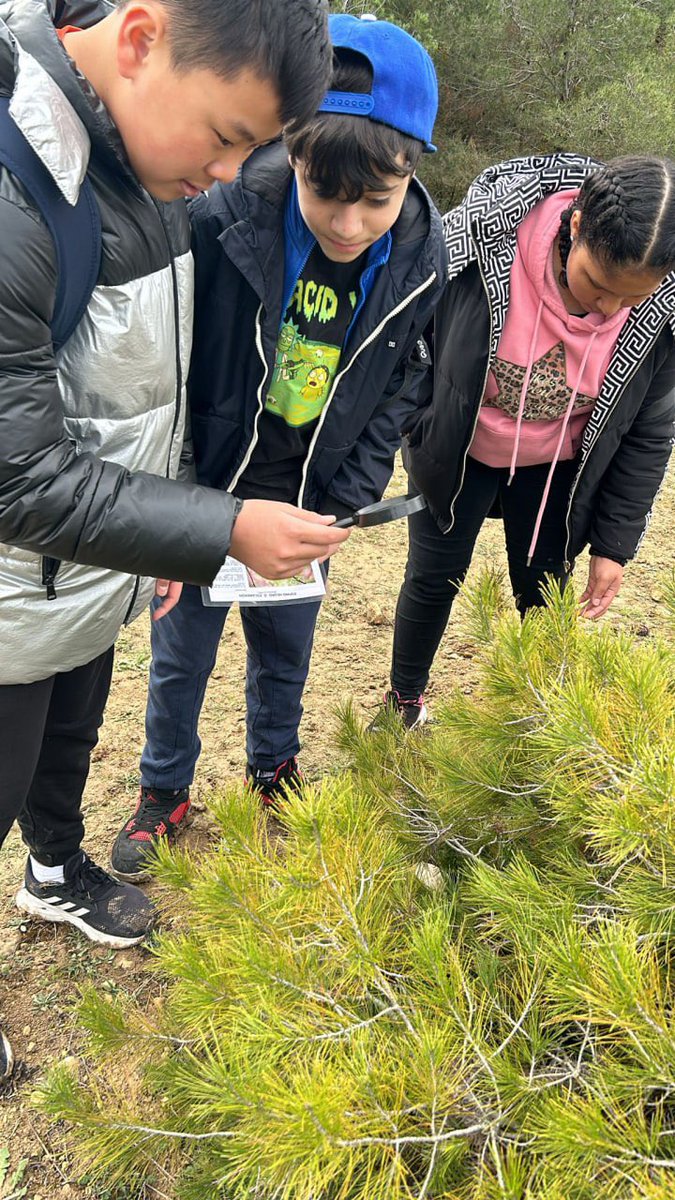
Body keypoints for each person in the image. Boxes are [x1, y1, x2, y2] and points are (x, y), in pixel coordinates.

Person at [0, 0, 345, 1074]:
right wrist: (218, 530)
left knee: (72, 737)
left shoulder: (141, 167)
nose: (227, 171)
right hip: (14, 583)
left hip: (87, 571)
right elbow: (17, 476)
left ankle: (56, 868)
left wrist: (164, 535)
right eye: (229, 136)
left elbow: (144, 384)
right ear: (143, 39)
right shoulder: (18, 192)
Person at [109, 12, 447, 878]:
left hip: (311, 504)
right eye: (325, 193)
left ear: (411, 173)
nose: (347, 222)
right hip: (212, 497)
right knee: (180, 653)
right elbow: (174, 362)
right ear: (291, 150)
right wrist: (181, 497)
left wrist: (346, 501)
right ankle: (162, 792)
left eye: (376, 199)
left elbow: (400, 388)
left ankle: (274, 771)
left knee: (286, 648)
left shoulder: (421, 262)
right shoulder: (224, 219)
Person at [377, 153, 675, 729]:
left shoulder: (663, 313)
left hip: (558, 470)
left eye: (629, 298)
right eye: (597, 283)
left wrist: (614, 546)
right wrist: (418, 427)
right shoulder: (482, 243)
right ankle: (403, 702)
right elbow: (411, 349)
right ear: (578, 224)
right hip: (458, 451)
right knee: (432, 578)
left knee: (544, 593)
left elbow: (648, 433)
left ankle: (538, 716)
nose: (607, 308)